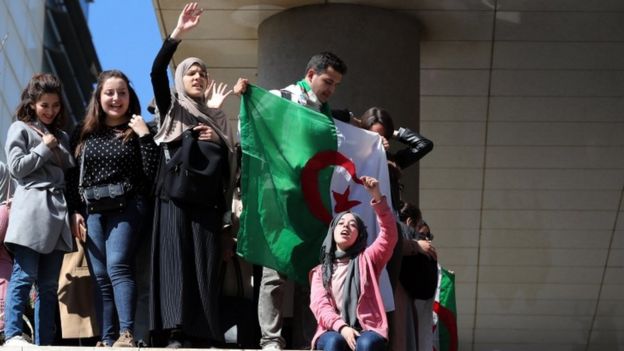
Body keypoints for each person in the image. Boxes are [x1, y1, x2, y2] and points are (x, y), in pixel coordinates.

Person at [148, 2, 241, 347]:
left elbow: (230, 165)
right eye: (191, 73)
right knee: (176, 264)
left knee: (204, 264)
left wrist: (216, 133)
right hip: (173, 197)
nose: (198, 77)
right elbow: (156, 72)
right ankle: (174, 331)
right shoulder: (172, 108)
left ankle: (202, 332)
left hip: (207, 203)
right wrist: (177, 35)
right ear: (180, 80)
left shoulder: (217, 118)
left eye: (202, 73)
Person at [251, 50, 347, 350]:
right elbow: (256, 116)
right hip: (280, 200)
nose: (330, 89)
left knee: (313, 273)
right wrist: (246, 94)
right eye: (327, 81)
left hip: (311, 203)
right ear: (310, 75)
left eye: (335, 85)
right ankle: (271, 340)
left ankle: (309, 341)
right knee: (275, 273)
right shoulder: (279, 98)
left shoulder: (327, 115)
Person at [66, 70, 159, 347]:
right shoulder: (83, 132)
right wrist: (74, 210)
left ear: (130, 97)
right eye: (109, 93)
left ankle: (127, 334)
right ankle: (107, 339)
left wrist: (144, 136)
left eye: (122, 93)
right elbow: (72, 177)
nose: (116, 98)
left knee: (117, 266)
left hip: (128, 205)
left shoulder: (140, 129)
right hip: (93, 209)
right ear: (99, 97)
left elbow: (152, 174)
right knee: (101, 276)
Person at [3, 73, 76, 346]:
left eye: (55, 105)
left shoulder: (64, 136)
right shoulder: (20, 129)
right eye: (44, 104)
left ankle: (45, 343)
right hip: (32, 207)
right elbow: (16, 168)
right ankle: (12, 335)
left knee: (48, 287)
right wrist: (44, 150)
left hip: (58, 211)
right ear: (32, 103)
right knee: (24, 275)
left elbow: (70, 175)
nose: (50, 111)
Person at [309, 176, 397, 351]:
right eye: (340, 223)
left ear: (360, 235)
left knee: (366, 343)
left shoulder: (369, 259)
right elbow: (321, 306)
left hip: (368, 328)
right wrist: (342, 327)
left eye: (352, 225)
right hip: (332, 328)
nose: (345, 226)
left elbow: (389, 234)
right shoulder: (320, 272)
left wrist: (378, 198)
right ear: (332, 232)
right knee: (335, 342)